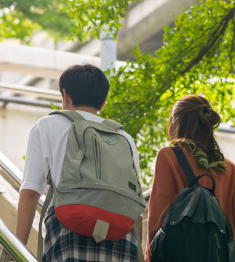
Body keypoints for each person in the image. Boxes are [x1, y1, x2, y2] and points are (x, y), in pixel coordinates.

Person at [16, 63, 144, 261]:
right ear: (103, 102)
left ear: (65, 96)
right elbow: (136, 206)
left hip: (68, 231)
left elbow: (31, 192)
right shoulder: (123, 137)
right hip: (121, 238)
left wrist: (17, 248)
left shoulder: (47, 125)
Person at [145, 95, 235, 262]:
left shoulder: (168, 157)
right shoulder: (228, 168)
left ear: (177, 122)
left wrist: (152, 255)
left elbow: (159, 213)